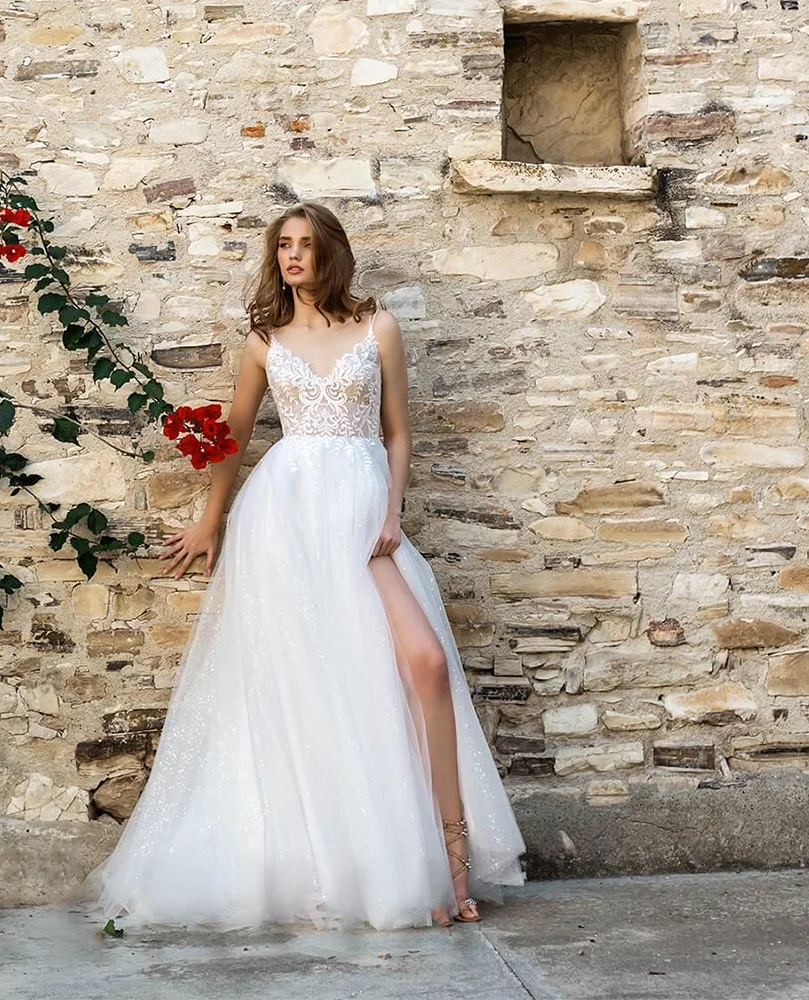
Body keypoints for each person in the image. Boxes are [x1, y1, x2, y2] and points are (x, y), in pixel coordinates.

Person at [80, 201, 526, 931]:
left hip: (362, 519)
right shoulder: (264, 341)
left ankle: (450, 865)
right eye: (283, 246)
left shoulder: (378, 327)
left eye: (306, 245)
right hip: (284, 519)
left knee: (425, 664)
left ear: (331, 254)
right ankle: (339, 866)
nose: (293, 256)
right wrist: (210, 519)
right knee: (309, 685)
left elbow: (399, 435)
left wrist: (393, 514)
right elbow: (233, 434)